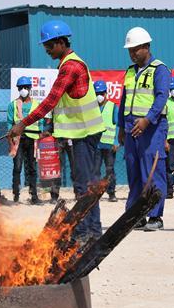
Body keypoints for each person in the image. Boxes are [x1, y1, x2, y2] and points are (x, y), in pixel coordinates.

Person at [8, 20, 105, 242]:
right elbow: (61, 105)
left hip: (84, 134)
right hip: (80, 134)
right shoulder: (67, 64)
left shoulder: (71, 66)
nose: (47, 50)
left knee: (84, 184)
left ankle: (86, 234)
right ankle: (91, 231)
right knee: (85, 182)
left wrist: (23, 124)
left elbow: (51, 100)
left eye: (50, 45)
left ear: (61, 42)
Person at [118, 26, 169, 231]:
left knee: (152, 171)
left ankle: (155, 216)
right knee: (134, 172)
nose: (132, 54)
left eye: (135, 49)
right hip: (131, 128)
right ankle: (136, 215)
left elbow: (161, 97)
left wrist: (147, 120)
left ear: (147, 47)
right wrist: (121, 127)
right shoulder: (130, 72)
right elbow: (124, 100)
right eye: (130, 50)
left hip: (152, 128)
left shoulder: (160, 69)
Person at [8, 76, 42, 205]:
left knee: (32, 168)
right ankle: (16, 195)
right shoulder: (13, 105)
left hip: (32, 140)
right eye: (21, 88)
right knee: (17, 167)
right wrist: (11, 142)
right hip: (18, 140)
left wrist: (42, 133)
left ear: (30, 88)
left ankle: (34, 195)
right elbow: (10, 123)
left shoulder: (36, 104)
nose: (23, 90)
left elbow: (42, 122)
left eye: (26, 87)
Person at [94, 80, 119, 202]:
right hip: (96, 145)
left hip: (109, 145)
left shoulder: (113, 107)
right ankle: (96, 194)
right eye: (97, 93)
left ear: (106, 93)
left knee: (109, 169)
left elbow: (118, 125)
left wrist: (116, 141)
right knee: (96, 171)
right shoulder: (92, 108)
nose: (99, 96)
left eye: (101, 93)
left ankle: (111, 193)